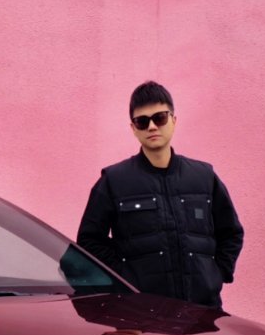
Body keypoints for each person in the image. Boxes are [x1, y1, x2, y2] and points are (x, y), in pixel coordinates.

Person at [78, 81, 243, 309]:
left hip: (203, 311)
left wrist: (218, 273)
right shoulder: (114, 181)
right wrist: (123, 278)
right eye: (142, 121)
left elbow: (231, 232)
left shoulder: (203, 176)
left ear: (173, 120)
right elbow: (89, 242)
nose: (152, 127)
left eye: (160, 118)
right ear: (133, 128)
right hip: (141, 314)